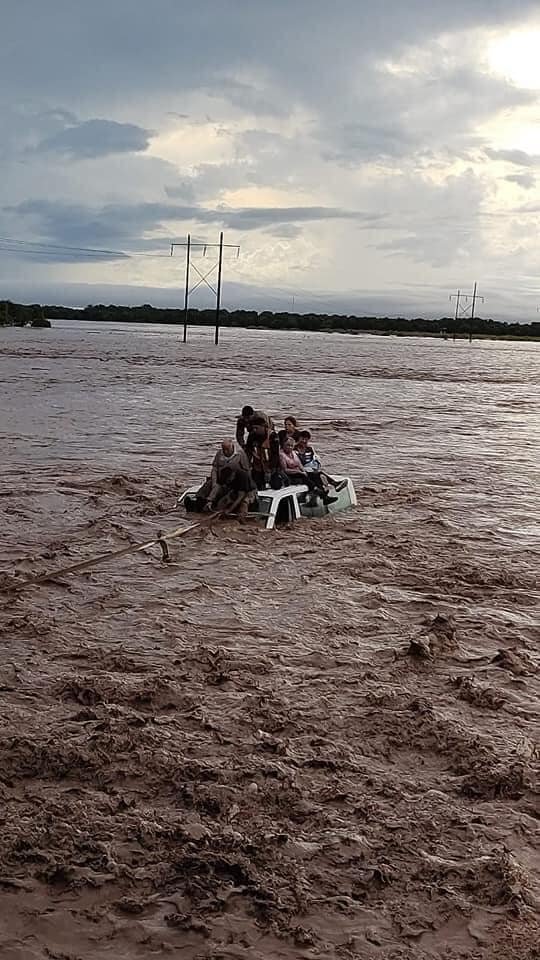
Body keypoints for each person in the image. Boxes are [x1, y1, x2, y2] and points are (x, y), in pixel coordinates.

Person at [197, 439, 251, 510]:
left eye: (227, 449)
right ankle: (199, 502)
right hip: (221, 478)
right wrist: (214, 482)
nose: (225, 451)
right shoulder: (219, 453)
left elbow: (246, 470)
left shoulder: (240, 454)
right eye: (224, 449)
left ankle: (217, 506)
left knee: (227, 495)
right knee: (208, 486)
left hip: (234, 481)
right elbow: (214, 468)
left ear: (232, 447)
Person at [279, 438, 337, 504]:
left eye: (291, 446)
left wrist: (304, 471)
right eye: (288, 445)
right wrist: (299, 472)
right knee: (304, 476)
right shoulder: (281, 455)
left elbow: (299, 464)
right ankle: (318, 491)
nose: (290, 447)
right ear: (283, 445)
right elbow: (285, 470)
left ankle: (333, 485)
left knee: (317, 474)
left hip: (300, 473)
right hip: (291, 475)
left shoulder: (293, 453)